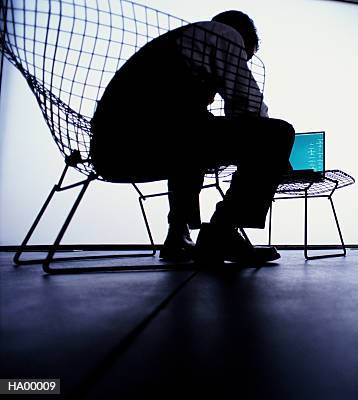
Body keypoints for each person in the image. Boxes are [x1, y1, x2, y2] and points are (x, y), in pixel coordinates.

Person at [90, 10, 295, 264]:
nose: (240, 63)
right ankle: (221, 233)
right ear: (240, 38)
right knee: (278, 134)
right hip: (146, 140)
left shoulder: (174, 49)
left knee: (194, 135)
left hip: (113, 150)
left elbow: (186, 129)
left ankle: (178, 234)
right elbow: (248, 106)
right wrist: (273, 158)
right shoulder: (224, 34)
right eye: (243, 57)